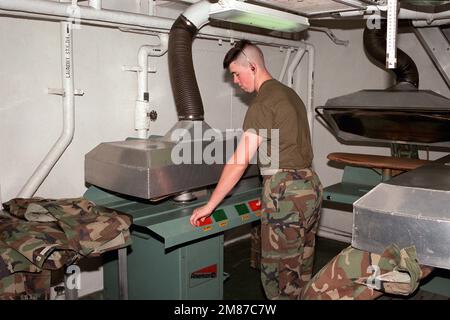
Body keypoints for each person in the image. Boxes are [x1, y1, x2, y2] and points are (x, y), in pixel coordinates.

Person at [189, 40, 323, 300]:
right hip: (310, 186)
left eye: (236, 74)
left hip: (285, 193)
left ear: (251, 66)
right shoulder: (289, 95)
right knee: (300, 270)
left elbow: (240, 161)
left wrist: (209, 205)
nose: (236, 82)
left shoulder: (262, 104)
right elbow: (278, 146)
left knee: (279, 279)